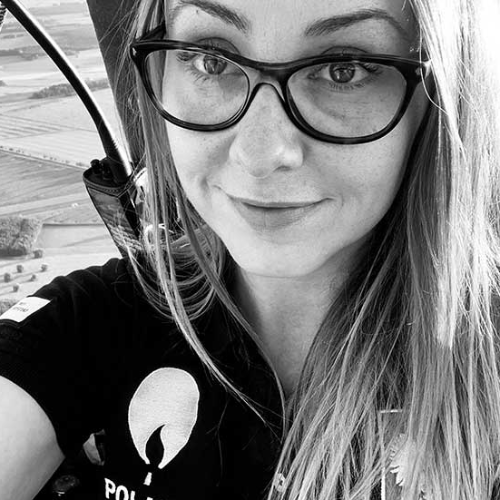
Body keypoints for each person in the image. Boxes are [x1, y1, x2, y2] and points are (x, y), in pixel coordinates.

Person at [1, 0, 500, 498]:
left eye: (343, 69)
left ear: (439, 98)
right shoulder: (94, 322)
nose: (259, 155)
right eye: (211, 60)